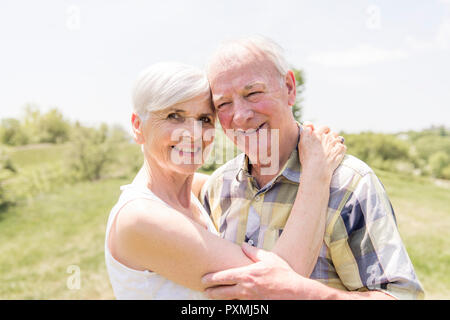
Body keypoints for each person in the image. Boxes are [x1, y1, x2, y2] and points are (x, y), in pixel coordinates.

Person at [199, 35, 425, 300]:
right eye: (223, 103)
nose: (240, 115)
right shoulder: (217, 187)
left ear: (289, 88)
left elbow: (402, 296)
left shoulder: (349, 183)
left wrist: (300, 293)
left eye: (253, 93)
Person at [104, 61, 346, 299]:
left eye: (204, 119)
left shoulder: (191, 190)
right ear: (138, 126)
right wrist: (316, 171)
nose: (194, 134)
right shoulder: (141, 218)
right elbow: (278, 287)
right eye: (174, 116)